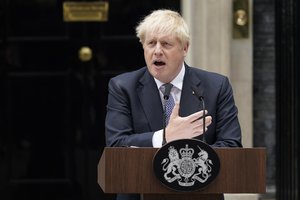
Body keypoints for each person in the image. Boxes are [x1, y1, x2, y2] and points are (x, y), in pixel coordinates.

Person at [105, 9, 242, 200]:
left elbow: (232, 146)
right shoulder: (123, 87)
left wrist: (187, 160)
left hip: (201, 195)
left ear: (185, 48)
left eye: (166, 44)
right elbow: (116, 146)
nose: (157, 51)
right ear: (143, 47)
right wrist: (165, 137)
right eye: (151, 43)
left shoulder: (216, 87)